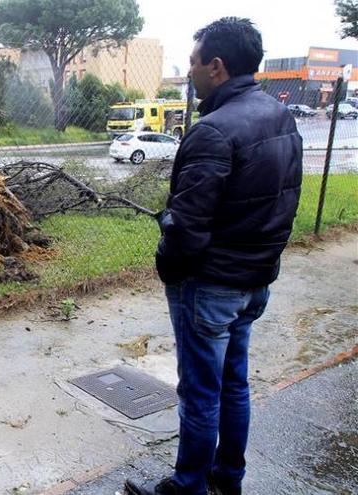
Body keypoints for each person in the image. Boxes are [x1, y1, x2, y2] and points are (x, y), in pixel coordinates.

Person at [125, 17, 302, 495]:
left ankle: (188, 487)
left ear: (217, 67)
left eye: (194, 62)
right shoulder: (280, 116)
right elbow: (287, 199)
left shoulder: (213, 131)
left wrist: (169, 263)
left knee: (200, 392)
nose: (189, 72)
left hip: (209, 286)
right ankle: (228, 479)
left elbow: (186, 225)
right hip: (254, 283)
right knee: (233, 385)